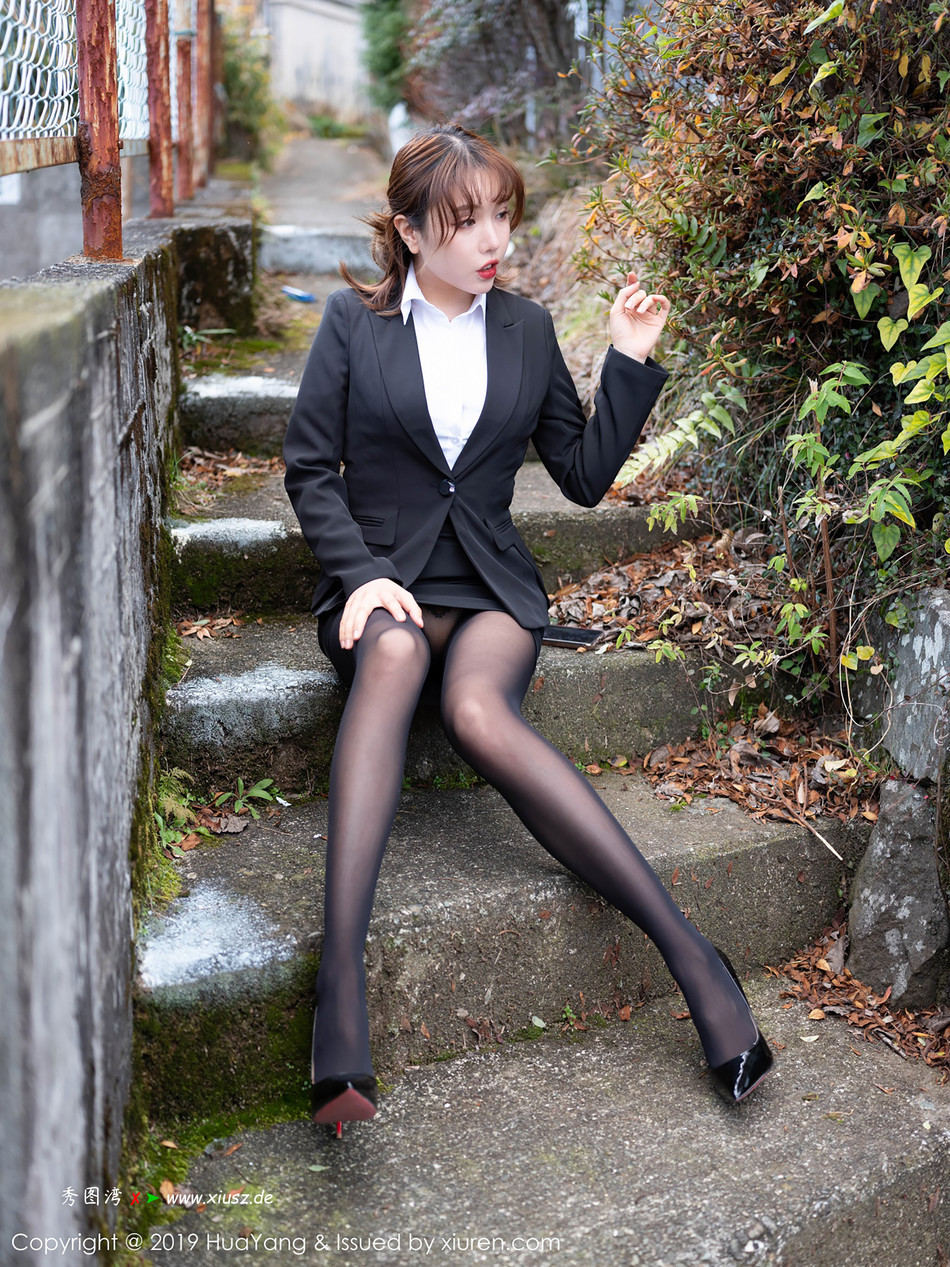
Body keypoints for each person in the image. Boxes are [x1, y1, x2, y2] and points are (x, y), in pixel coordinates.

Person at [283, 123, 773, 1134]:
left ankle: (694, 959)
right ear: (410, 231)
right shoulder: (351, 323)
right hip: (382, 579)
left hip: (489, 584)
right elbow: (308, 469)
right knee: (393, 653)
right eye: (467, 221)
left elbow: (583, 477)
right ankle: (339, 986)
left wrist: (627, 360)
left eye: (501, 215)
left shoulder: (526, 327)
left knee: (476, 710)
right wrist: (362, 577)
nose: (492, 239)